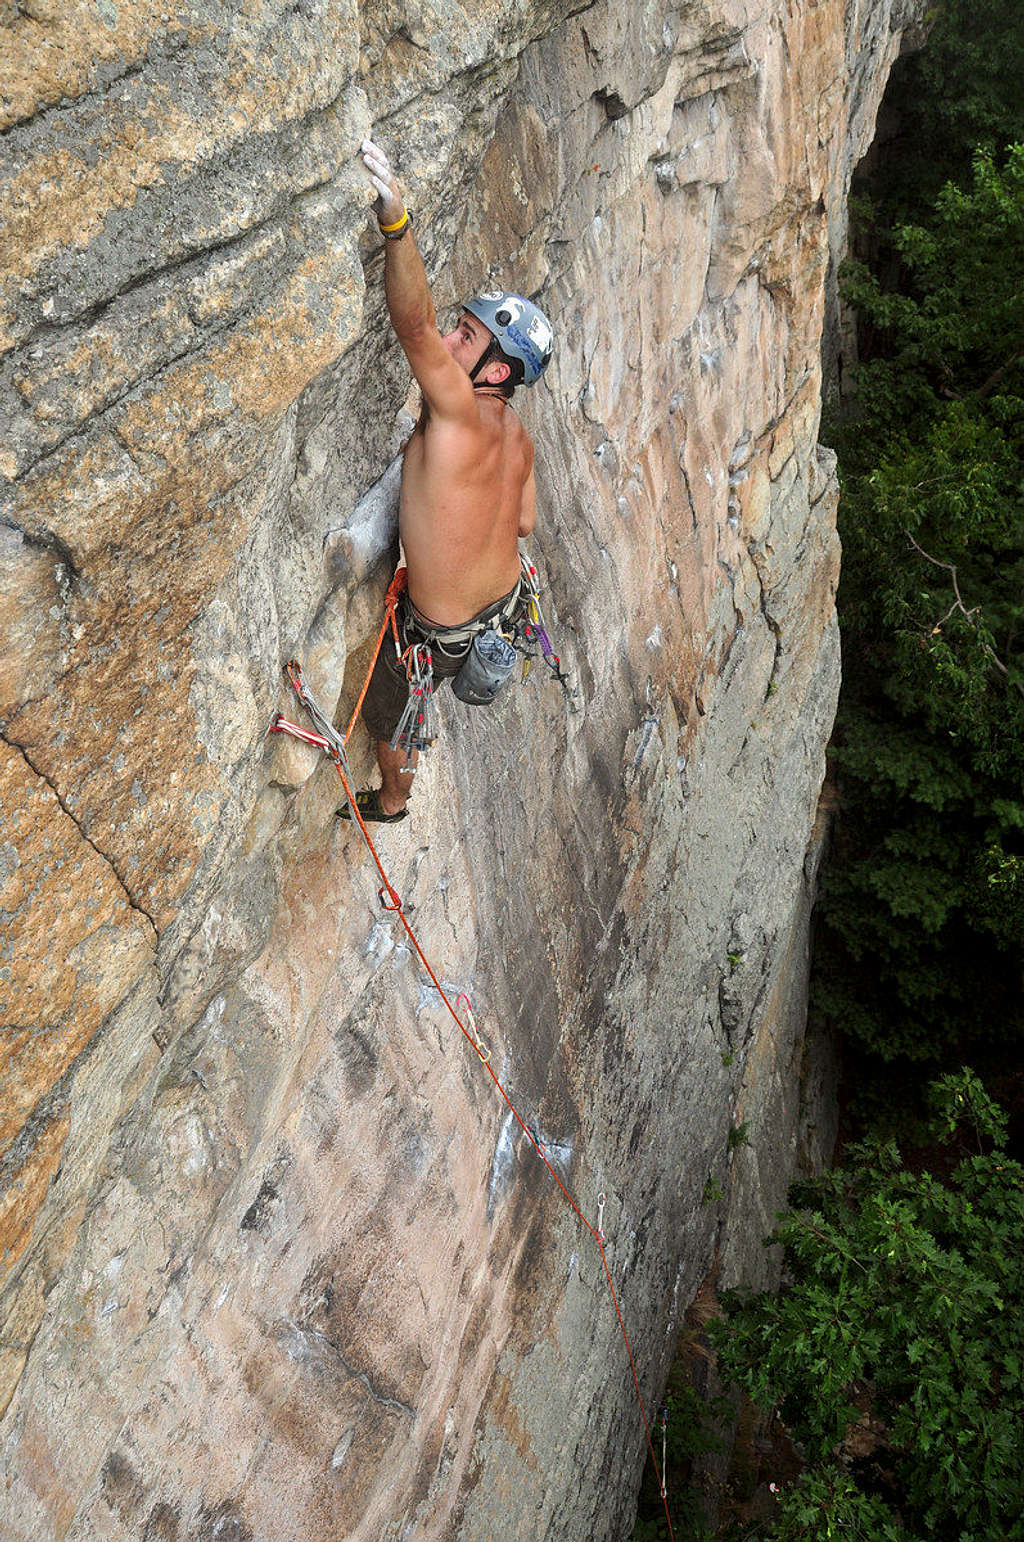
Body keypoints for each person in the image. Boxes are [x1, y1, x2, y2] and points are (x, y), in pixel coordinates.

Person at [339, 139, 555, 823]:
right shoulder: (517, 437)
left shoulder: (458, 411)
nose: (452, 342)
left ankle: (393, 801)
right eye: (460, 330)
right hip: (499, 613)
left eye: (468, 336)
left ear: (495, 372)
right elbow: (523, 524)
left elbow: (412, 325)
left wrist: (395, 223)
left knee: (389, 711)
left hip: (438, 634)